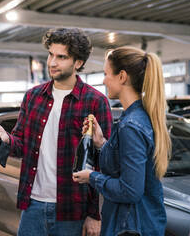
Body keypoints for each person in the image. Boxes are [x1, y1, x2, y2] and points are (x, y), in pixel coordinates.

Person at [0, 28, 112, 236]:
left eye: (61, 57)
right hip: (33, 205)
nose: (52, 62)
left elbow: (101, 163)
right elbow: (21, 145)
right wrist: (6, 138)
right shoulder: (33, 97)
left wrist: (94, 214)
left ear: (78, 62)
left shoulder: (96, 101)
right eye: (51, 54)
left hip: (73, 210)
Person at [73, 46, 171, 236]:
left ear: (122, 76)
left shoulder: (131, 126)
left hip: (129, 227)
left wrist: (91, 177)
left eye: (106, 73)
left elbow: (130, 190)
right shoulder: (139, 117)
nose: (103, 80)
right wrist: (101, 143)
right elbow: (125, 166)